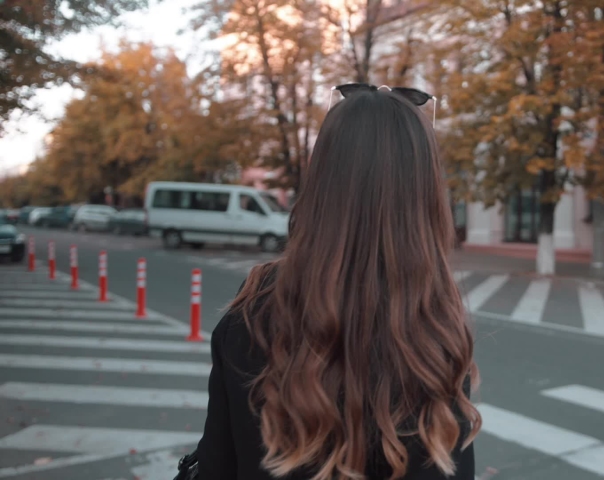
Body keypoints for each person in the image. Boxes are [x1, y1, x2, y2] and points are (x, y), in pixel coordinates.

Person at [195, 85, 481, 480]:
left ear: (322, 182)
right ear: (424, 196)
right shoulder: (435, 336)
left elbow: (214, 466)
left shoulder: (252, 315)